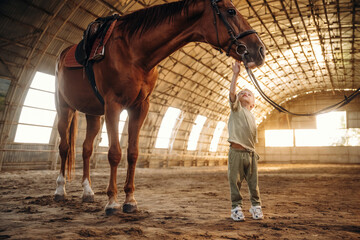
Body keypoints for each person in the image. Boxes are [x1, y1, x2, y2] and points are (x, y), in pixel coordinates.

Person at [227, 60, 263, 221]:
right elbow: (232, 94)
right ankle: (236, 208)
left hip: (251, 155)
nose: (244, 93)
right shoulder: (236, 109)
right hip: (236, 153)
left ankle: (256, 207)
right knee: (235, 183)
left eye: (248, 93)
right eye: (242, 93)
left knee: (253, 184)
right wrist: (236, 74)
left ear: (253, 104)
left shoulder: (252, 115)